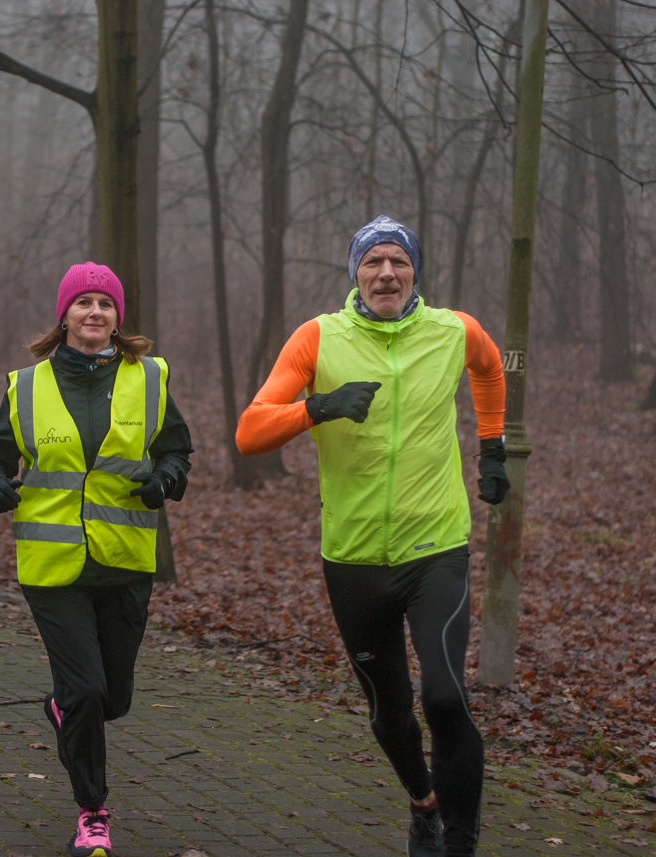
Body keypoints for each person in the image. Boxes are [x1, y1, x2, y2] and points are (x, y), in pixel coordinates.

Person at [236, 216, 509, 857]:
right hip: (353, 555)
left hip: (435, 544)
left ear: (415, 271)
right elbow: (250, 433)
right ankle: (423, 803)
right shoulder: (317, 338)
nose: (386, 272)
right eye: (372, 262)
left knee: (444, 694)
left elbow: (491, 369)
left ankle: (461, 846)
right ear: (355, 273)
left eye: (398, 261)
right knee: (389, 710)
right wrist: (319, 406)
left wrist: (491, 449)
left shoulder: (453, 330)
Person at [0, 262, 192, 857]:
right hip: (53, 569)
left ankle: (63, 707)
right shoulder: (27, 385)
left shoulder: (149, 378)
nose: (95, 312)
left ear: (118, 317)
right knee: (88, 691)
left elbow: (177, 452)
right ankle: (92, 812)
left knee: (111, 698)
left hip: (125, 561)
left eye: (106, 303)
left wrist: (165, 480)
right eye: (84, 302)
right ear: (64, 314)